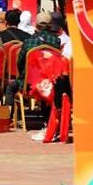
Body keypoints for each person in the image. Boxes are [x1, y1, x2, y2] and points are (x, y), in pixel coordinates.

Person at [5, 12, 61, 141]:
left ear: (36, 25)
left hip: (30, 82)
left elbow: (20, 62)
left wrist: (23, 76)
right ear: (50, 25)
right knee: (47, 91)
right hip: (49, 81)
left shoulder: (29, 41)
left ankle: (8, 119)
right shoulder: (56, 41)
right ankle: (49, 123)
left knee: (10, 88)